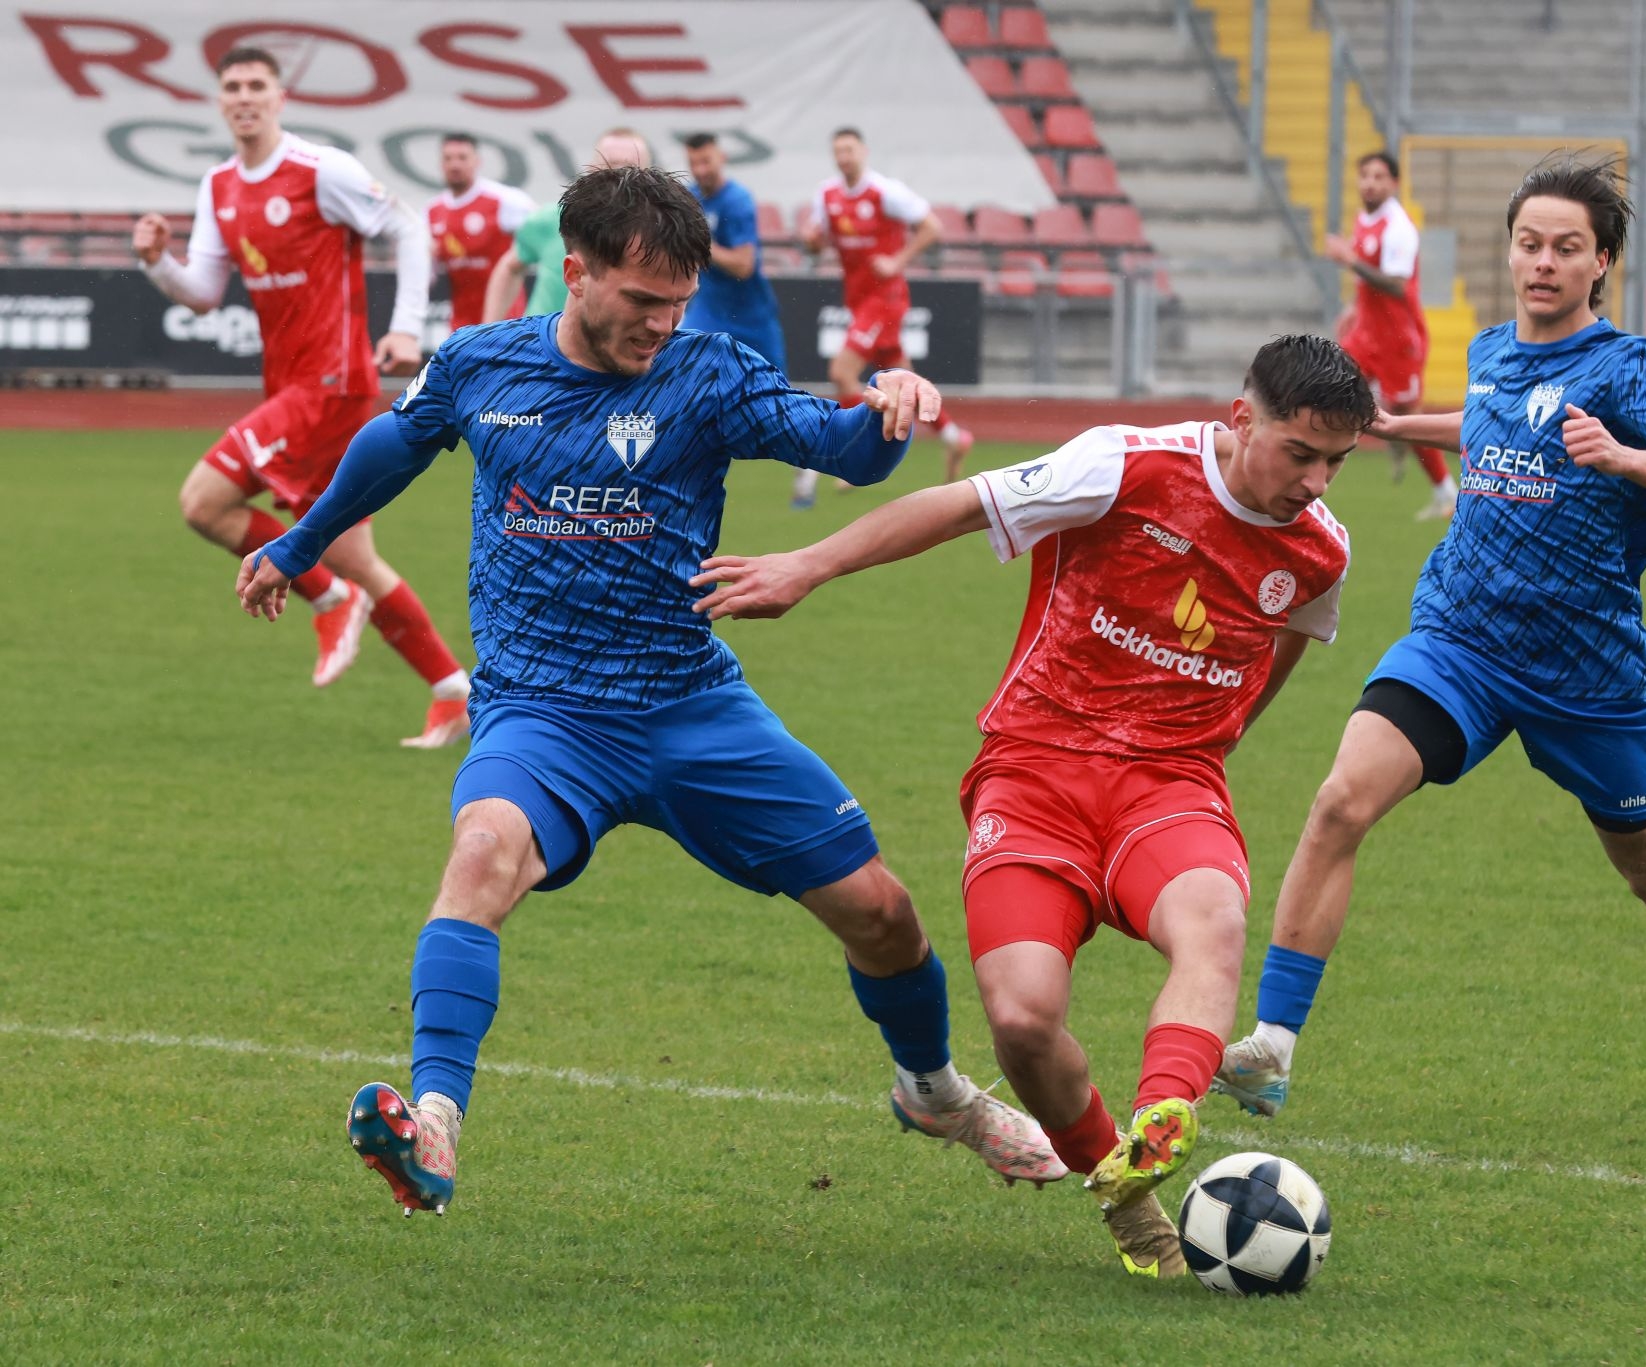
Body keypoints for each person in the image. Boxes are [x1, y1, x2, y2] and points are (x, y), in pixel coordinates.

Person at [234, 165, 1065, 1216]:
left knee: (885, 914)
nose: (664, 324)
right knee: (483, 853)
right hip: (542, 710)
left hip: (690, 704)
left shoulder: (708, 372)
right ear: (574, 273)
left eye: (678, 301)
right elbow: (393, 444)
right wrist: (301, 539)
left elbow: (839, 444)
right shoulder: (481, 365)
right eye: (641, 301)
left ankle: (935, 1089)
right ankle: (434, 1122)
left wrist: (889, 411)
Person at [690, 336, 1375, 1278]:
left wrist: (1214, 741)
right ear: (1241, 417)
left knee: (1210, 919)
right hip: (1035, 773)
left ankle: (1167, 1107)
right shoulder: (1125, 465)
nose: (1317, 480)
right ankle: (1126, 1197)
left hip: (1169, 782)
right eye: (1301, 453)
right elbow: (955, 505)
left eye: (1336, 461)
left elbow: (1286, 635)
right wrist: (809, 565)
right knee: (1020, 1018)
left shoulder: (1321, 548)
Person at [1214, 156, 1646, 1122]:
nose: (1542, 262)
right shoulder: (1493, 349)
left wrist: (1621, 455)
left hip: (1587, 672)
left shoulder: (1632, 368)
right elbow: (1493, 423)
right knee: (1340, 801)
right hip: (1459, 640)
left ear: (1600, 261)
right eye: (1528, 243)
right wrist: (1390, 423)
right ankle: (1273, 1044)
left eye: (1565, 248)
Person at [133, 45, 471, 747]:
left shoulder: (321, 170)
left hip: (333, 384)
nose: (245, 96)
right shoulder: (219, 184)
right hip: (292, 386)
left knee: (204, 501)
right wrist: (156, 261)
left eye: (258, 84)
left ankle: (323, 595)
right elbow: (200, 294)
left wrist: (406, 329)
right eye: (233, 86)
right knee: (355, 556)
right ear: (221, 101)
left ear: (280, 97)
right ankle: (452, 690)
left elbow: (409, 226)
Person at [794, 127, 972, 509]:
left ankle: (852, 453)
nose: (844, 157)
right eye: (838, 151)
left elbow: (932, 226)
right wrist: (811, 241)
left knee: (842, 371)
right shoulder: (827, 195)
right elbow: (819, 239)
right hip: (860, 299)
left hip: (885, 299)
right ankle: (954, 437)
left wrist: (898, 261)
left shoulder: (885, 191)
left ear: (863, 152)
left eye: (849, 149)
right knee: (903, 380)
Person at [1323, 151, 1458, 522]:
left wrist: (1349, 260)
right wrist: (1354, 306)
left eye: (1379, 176)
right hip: (1367, 334)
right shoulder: (1365, 218)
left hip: (1400, 340)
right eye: (1364, 175)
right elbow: (1369, 278)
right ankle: (1310, 480)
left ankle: (1448, 492)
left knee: (1406, 419)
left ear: (1394, 183)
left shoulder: (1398, 227)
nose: (1370, 182)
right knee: (1328, 389)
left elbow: (1397, 286)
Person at [482, 128, 650, 324]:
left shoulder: (657, 230)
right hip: (540, 343)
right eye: (610, 164)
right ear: (592, 168)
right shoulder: (554, 218)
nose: (618, 173)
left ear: (646, 173)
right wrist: (488, 330)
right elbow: (510, 267)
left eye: (629, 166)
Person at [680, 132, 787, 372]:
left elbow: (743, 265)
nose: (700, 170)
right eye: (693, 163)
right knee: (684, 368)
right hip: (709, 308)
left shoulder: (737, 200)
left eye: (706, 161)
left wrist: (699, 243)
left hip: (750, 315)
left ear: (722, 158)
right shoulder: (688, 198)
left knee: (777, 389)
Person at [425, 133, 537, 333]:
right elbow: (427, 272)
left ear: (477, 161)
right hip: (462, 324)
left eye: (462, 157)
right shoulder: (433, 211)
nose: (455, 165)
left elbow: (545, 231)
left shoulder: (505, 200)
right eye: (448, 158)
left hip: (507, 322)